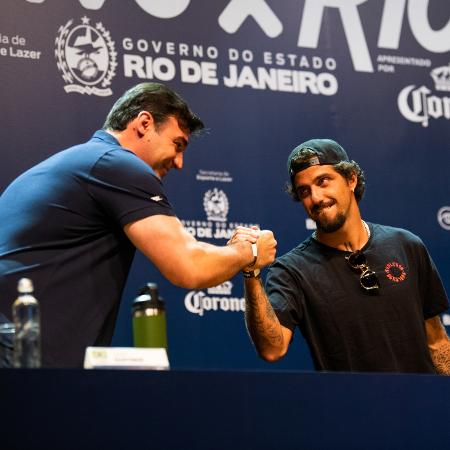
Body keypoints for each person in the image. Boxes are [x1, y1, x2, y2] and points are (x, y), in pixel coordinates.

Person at [0, 82, 277, 368]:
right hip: (17, 361)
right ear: (144, 123)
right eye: (177, 144)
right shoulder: (117, 164)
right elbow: (189, 266)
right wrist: (251, 251)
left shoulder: (78, 162)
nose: (180, 162)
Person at [230, 138, 450, 374]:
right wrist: (251, 273)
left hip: (422, 406)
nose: (315, 198)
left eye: (323, 181)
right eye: (304, 191)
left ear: (351, 179)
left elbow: (437, 342)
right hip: (352, 409)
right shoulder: (291, 271)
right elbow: (272, 349)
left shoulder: (406, 245)